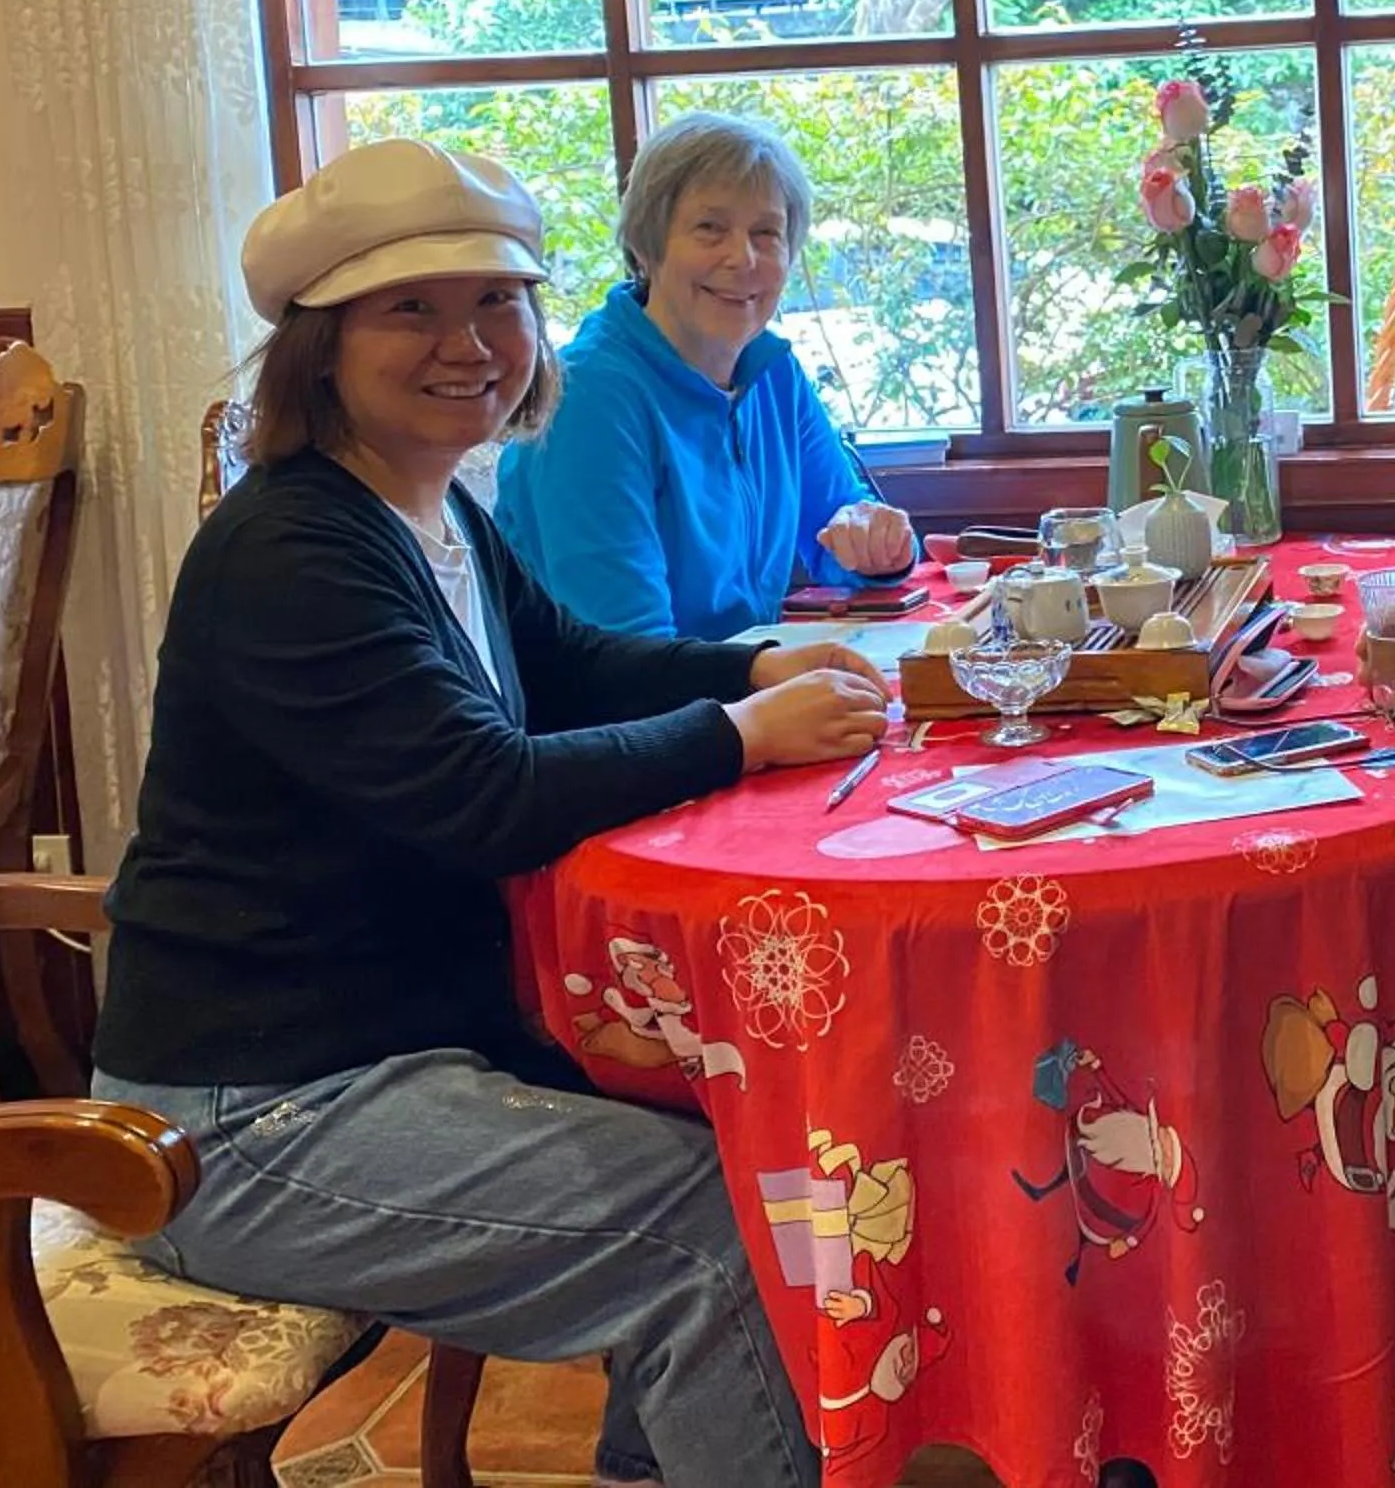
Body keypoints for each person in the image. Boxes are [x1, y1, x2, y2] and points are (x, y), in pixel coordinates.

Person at [93, 137, 898, 1488]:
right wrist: (741, 733)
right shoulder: (294, 549)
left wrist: (750, 666)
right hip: (243, 1116)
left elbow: (571, 660)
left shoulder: (428, 512)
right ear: (320, 346)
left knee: (756, 1135)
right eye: (412, 308)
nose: (467, 344)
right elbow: (486, 796)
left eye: (497, 303)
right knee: (708, 1229)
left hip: (387, 1052)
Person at [499, 111, 915, 637]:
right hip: (621, 687)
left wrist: (879, 544)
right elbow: (626, 650)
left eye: (766, 233)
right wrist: (765, 677)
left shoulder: (774, 373)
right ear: (646, 246)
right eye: (709, 229)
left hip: (727, 676)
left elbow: (839, 535)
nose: (743, 258)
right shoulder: (586, 397)